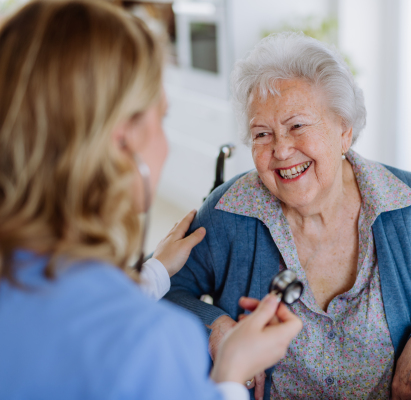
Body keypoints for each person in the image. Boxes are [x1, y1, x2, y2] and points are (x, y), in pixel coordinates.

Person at [165, 32, 411, 400]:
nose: (282, 149)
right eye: (262, 134)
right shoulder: (230, 213)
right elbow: (162, 290)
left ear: (344, 131)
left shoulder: (409, 206)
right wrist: (216, 326)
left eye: (298, 125)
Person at [0, 2, 302, 399]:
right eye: (162, 118)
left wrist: (155, 271)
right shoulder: (152, 344)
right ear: (121, 142)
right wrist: (230, 376)